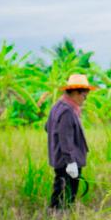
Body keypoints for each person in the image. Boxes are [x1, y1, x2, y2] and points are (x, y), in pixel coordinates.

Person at [45, 73, 93, 209]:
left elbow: (47, 127)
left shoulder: (57, 106)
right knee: (66, 193)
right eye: (84, 96)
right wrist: (70, 161)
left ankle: (58, 217)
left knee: (60, 190)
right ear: (76, 93)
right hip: (68, 160)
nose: (85, 99)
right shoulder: (67, 111)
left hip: (60, 158)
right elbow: (65, 138)